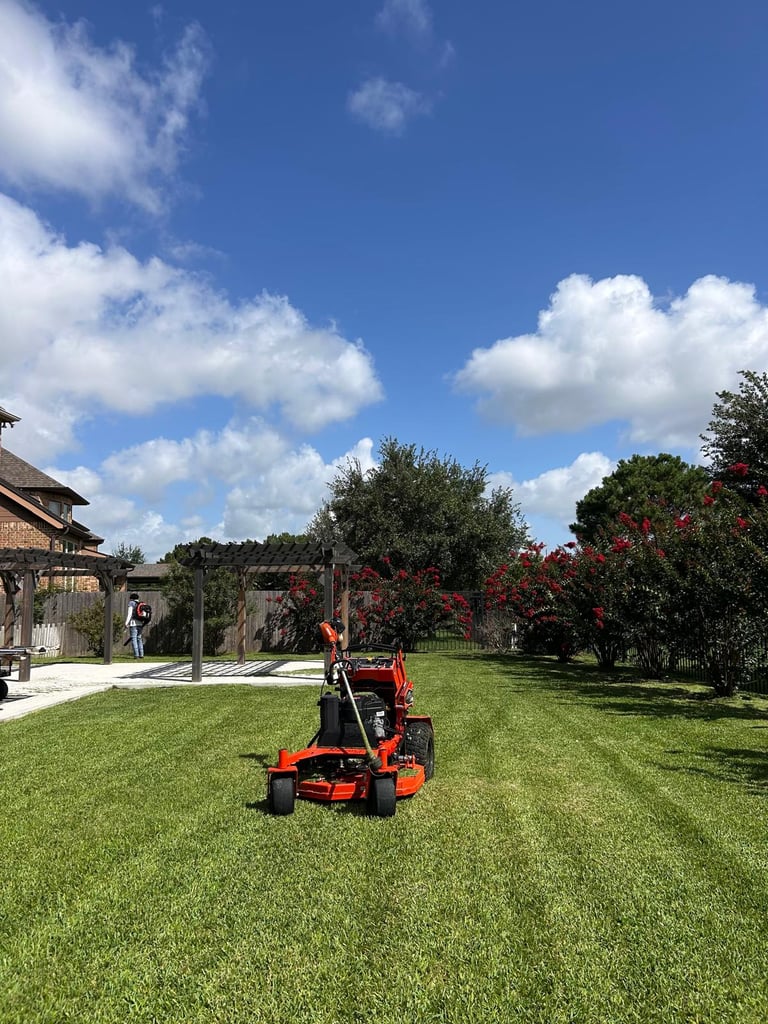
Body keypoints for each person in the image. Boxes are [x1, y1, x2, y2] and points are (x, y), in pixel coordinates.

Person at [125, 592, 145, 659]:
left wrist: (126, 623)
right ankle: (141, 654)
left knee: (134, 639)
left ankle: (136, 655)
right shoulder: (141, 604)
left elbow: (129, 614)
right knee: (139, 639)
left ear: (131, 598)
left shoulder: (131, 603)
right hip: (140, 623)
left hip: (133, 623)